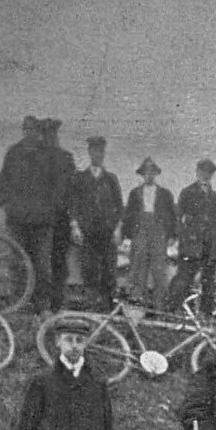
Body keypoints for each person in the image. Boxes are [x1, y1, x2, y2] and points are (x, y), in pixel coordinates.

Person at [13, 314, 113, 430]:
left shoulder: (97, 383)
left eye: (79, 340)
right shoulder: (43, 382)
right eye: (68, 339)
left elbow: (107, 427)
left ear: (85, 343)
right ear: (57, 341)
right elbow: (26, 427)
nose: (74, 345)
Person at [0, 115, 64, 314]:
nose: (30, 133)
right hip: (17, 220)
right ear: (23, 131)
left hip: (42, 222)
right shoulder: (13, 153)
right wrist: (8, 204)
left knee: (42, 265)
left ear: (39, 132)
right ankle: (18, 305)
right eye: (27, 129)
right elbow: (3, 183)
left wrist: (51, 209)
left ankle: (42, 306)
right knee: (17, 263)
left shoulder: (48, 154)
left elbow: (58, 185)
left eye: (34, 129)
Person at [67, 136, 123, 311]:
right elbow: (73, 204)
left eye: (101, 151)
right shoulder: (80, 178)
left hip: (107, 232)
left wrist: (118, 229)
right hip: (88, 231)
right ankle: (91, 304)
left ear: (104, 153)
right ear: (90, 152)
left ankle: (107, 307)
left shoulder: (111, 179)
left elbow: (119, 206)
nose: (98, 154)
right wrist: (75, 226)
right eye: (95, 150)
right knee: (89, 269)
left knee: (109, 270)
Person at [169, 158, 216, 317]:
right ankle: (173, 311)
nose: (206, 175)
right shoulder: (187, 192)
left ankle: (206, 315)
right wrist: (183, 238)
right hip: (191, 245)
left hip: (210, 246)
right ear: (197, 172)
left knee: (209, 282)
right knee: (183, 279)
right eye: (203, 171)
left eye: (209, 173)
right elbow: (178, 217)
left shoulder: (215, 197)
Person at [121, 157, 177, 309]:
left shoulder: (165, 194)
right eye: (146, 173)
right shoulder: (135, 193)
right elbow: (129, 216)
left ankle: (159, 306)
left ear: (156, 174)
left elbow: (172, 215)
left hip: (158, 232)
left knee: (159, 269)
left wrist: (172, 235)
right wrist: (127, 237)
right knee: (138, 267)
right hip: (140, 231)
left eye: (152, 173)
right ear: (142, 175)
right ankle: (137, 306)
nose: (149, 176)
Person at [40, 119, 78, 303]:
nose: (51, 138)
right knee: (39, 260)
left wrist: (73, 219)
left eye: (53, 134)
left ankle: (57, 299)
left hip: (60, 219)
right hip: (38, 220)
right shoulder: (35, 159)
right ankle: (40, 301)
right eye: (47, 135)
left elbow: (73, 190)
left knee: (59, 260)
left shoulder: (66, 158)